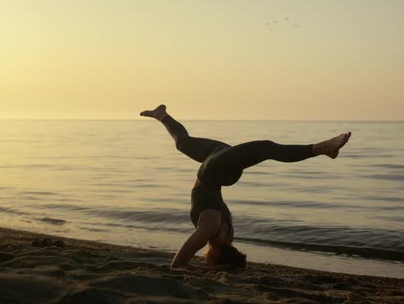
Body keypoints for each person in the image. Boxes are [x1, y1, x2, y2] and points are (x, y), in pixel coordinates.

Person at [140, 105, 351, 269]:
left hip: (216, 163)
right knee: (265, 148)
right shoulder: (211, 232)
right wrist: (211, 271)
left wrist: (211, 270)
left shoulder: (220, 233)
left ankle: (162, 115)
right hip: (216, 169)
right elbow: (177, 265)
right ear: (213, 257)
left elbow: (179, 265)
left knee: (183, 143)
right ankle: (321, 148)